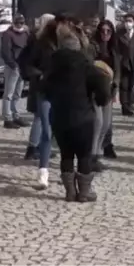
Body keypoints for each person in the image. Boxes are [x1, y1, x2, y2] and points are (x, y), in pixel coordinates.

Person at [42, 26, 110, 202]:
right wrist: (100, 100)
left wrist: (54, 98)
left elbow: (43, 89)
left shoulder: (53, 68)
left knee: (66, 154)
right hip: (83, 117)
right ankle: (84, 192)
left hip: (60, 117)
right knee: (84, 155)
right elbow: (103, 81)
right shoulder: (86, 66)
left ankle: (70, 192)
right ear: (78, 47)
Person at [21, 13, 54, 162]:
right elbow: (27, 61)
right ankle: (33, 148)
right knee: (40, 117)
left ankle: (39, 146)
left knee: (42, 117)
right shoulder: (38, 40)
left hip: (40, 80)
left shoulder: (36, 38)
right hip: (40, 82)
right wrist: (39, 74)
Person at [90, 20, 120, 171]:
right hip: (95, 91)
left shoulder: (114, 49)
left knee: (106, 125)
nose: (105, 34)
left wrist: (115, 89)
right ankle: (91, 157)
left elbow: (117, 71)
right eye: (103, 31)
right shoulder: (93, 47)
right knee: (98, 123)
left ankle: (98, 154)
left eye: (109, 31)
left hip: (108, 91)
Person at [1, 14, 30, 129]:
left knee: (18, 93)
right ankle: (7, 118)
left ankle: (16, 115)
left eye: (22, 23)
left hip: (22, 66)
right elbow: (5, 51)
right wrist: (12, 65)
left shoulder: (26, 33)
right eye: (18, 22)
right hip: (13, 67)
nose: (19, 25)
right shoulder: (8, 34)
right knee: (8, 93)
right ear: (14, 22)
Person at [116, 14, 134, 116]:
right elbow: (117, 50)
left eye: (130, 21)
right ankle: (125, 107)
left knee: (133, 87)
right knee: (124, 87)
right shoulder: (119, 34)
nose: (128, 23)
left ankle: (131, 103)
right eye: (126, 21)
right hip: (124, 64)